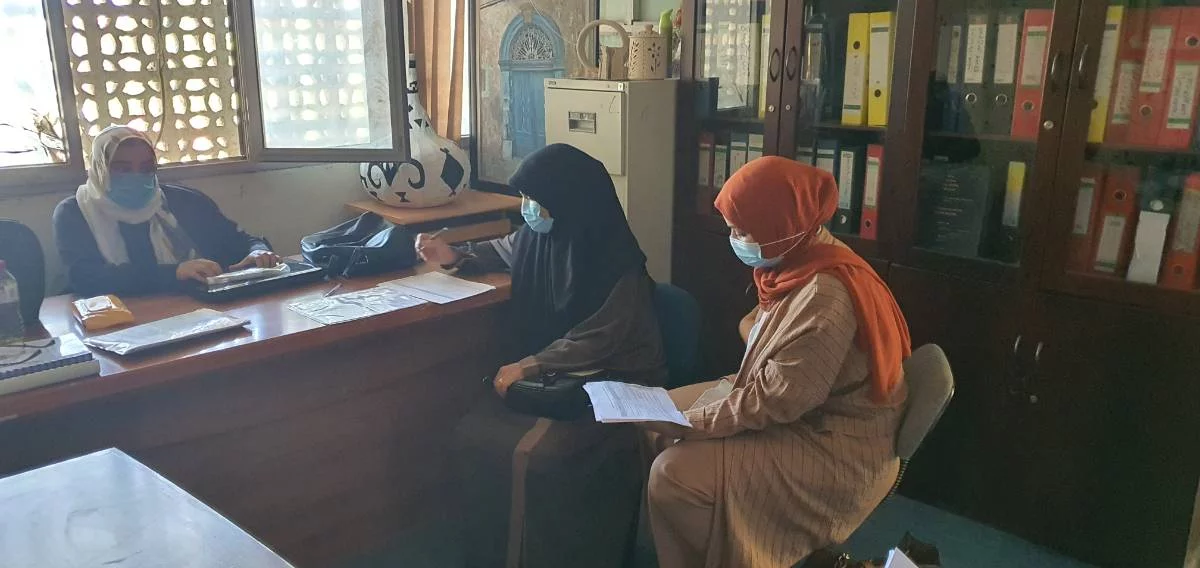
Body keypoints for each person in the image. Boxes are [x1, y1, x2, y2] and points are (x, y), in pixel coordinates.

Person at [643, 156, 912, 568]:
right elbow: (763, 332)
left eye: (742, 230)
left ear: (780, 224)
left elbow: (774, 402)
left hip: (831, 441)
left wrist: (689, 424)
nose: (734, 239)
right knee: (653, 423)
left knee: (672, 475)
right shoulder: (800, 256)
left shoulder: (825, 292)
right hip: (797, 406)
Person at [416, 143, 666, 568]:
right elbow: (503, 248)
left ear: (568, 201)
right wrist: (454, 254)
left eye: (536, 199)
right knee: (473, 433)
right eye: (525, 197)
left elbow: (599, 338)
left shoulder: (616, 260)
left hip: (614, 379)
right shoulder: (539, 235)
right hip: (557, 375)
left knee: (539, 457)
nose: (528, 208)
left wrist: (530, 365)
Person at [53, 125, 279, 297]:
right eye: (122, 168)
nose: (136, 176)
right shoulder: (74, 213)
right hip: (118, 321)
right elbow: (86, 278)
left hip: (197, 310)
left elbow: (239, 241)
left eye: (146, 168)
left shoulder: (184, 201)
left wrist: (258, 252)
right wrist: (176, 273)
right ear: (100, 168)